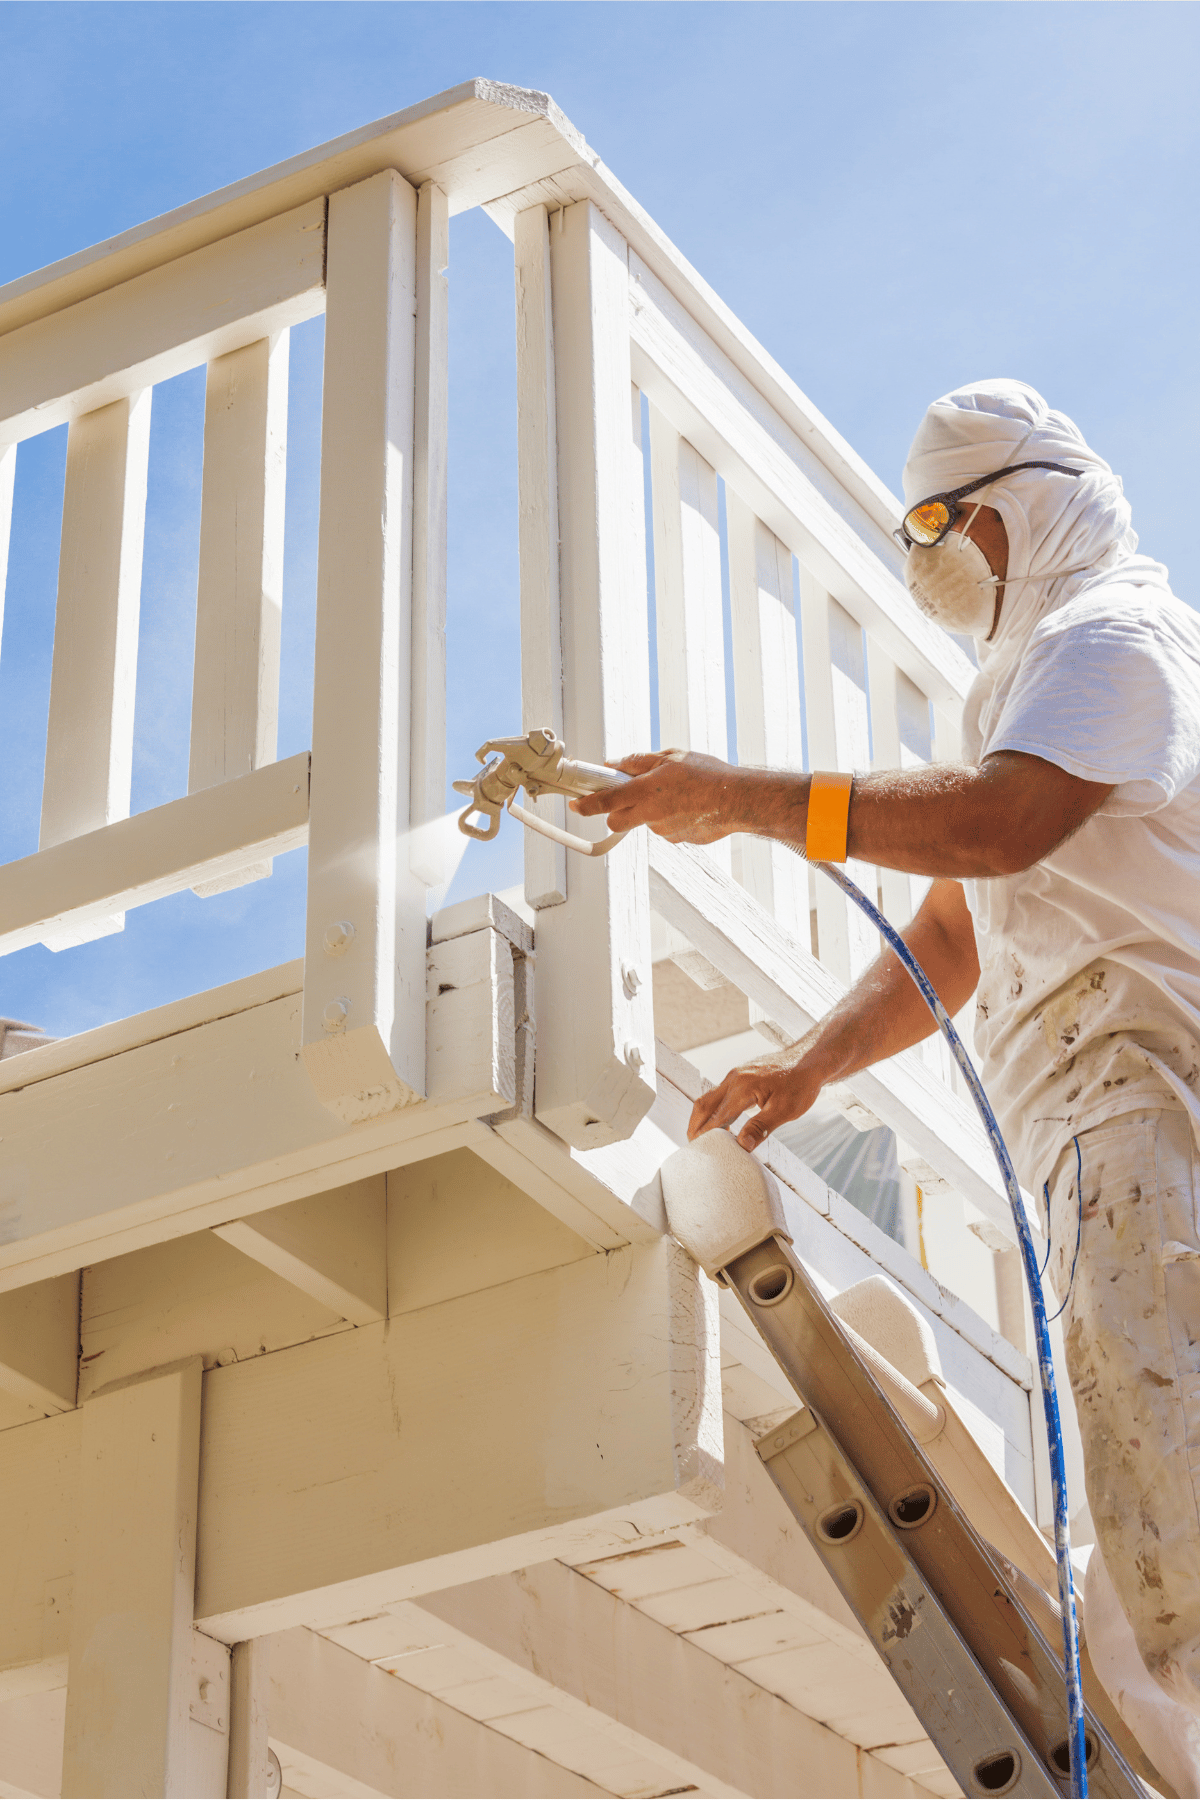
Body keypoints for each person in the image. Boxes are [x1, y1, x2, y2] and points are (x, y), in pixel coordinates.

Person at [572, 380, 1200, 1754]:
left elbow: (996, 830)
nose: (921, 557)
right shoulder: (1042, 681)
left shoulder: (1111, 637)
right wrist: (806, 1067)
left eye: (936, 521)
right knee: (1152, 1469)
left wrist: (742, 796)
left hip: (1142, 1096)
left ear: (1016, 510)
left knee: (1169, 1495)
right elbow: (953, 926)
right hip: (1106, 1110)